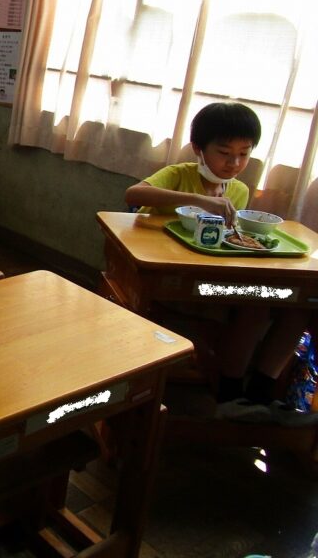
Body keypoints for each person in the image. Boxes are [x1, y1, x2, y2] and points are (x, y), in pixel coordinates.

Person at [125, 102, 314, 425]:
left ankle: (260, 394)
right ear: (199, 149)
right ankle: (230, 394)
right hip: (172, 279)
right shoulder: (178, 175)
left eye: (244, 154)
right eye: (224, 153)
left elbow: (227, 239)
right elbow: (133, 195)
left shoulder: (238, 191)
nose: (234, 163)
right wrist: (199, 200)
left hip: (215, 276)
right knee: (256, 308)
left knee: (298, 307)